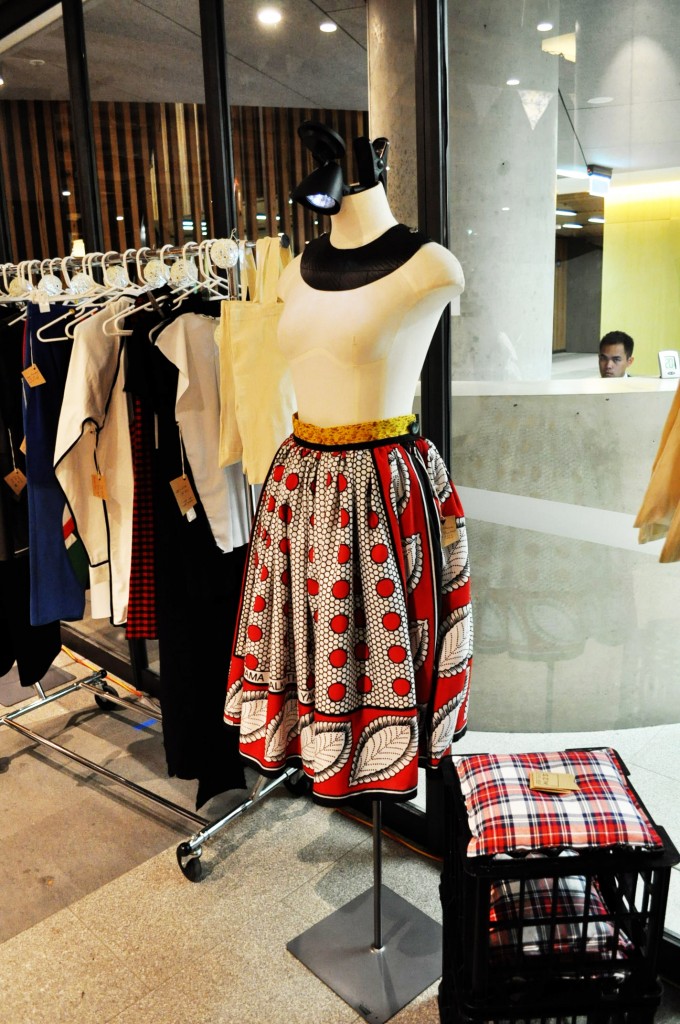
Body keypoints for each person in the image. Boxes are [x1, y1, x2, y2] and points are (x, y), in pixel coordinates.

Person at [224, 177, 473, 805]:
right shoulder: (294, 272)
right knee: (310, 631)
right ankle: (320, 748)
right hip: (299, 486)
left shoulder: (430, 266)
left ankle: (382, 753)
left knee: (382, 638)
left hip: (381, 488)